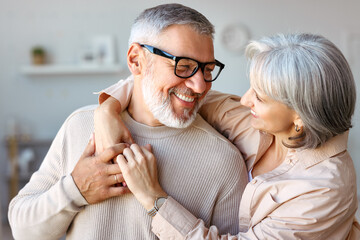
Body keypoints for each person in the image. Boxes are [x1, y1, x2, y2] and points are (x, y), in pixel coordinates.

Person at [8, 4, 248, 239]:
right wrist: (76, 190)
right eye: (184, 66)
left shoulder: (224, 161)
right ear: (135, 61)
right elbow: (22, 230)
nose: (201, 86)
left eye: (207, 70)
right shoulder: (80, 126)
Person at [94, 33, 360, 239]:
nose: (245, 100)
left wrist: (153, 198)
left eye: (260, 97)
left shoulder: (324, 191)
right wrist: (107, 109)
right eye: (251, 88)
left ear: (299, 118)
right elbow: (170, 92)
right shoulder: (252, 120)